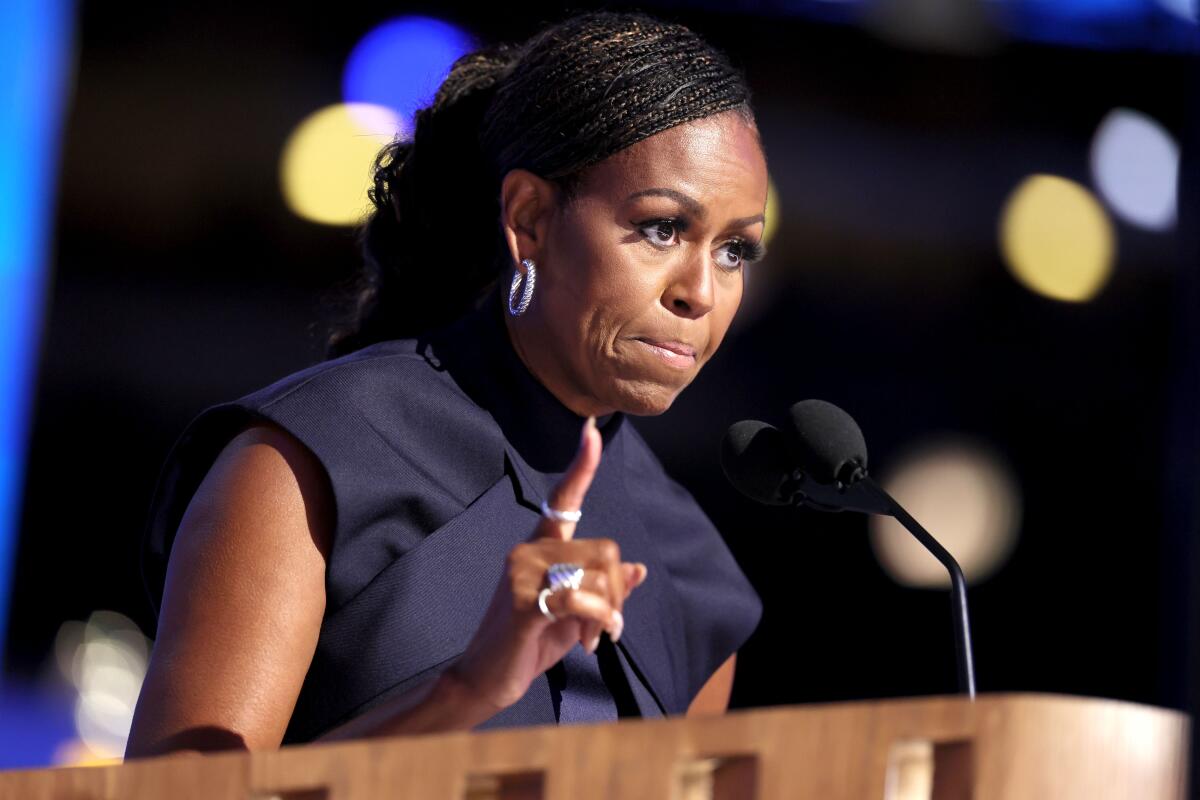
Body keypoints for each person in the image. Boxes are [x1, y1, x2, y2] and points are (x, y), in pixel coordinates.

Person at [125, 9, 768, 757]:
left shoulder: (696, 575)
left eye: (735, 251)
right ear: (528, 219)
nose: (701, 291)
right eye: (662, 229)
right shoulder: (312, 461)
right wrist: (465, 694)